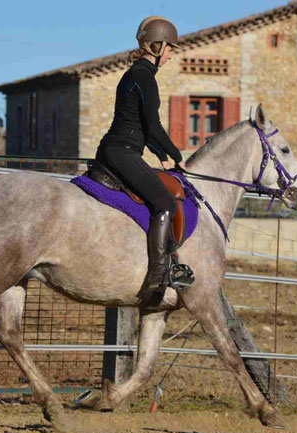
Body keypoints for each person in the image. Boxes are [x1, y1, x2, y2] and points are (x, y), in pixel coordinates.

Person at [95, 16, 191, 310]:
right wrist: (176, 155)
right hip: (122, 152)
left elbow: (137, 125)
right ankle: (159, 273)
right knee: (165, 203)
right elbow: (153, 125)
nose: (173, 53)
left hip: (119, 149)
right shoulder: (145, 78)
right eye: (171, 47)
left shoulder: (133, 75)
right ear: (157, 45)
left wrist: (158, 154)